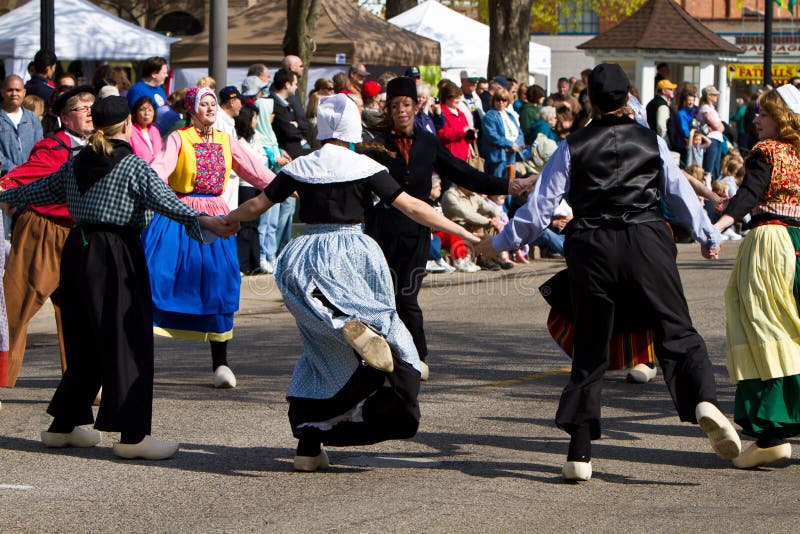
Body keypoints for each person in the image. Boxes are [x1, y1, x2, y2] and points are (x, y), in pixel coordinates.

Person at [476, 63, 740, 482]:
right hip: (647, 240)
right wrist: (708, 235)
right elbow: (682, 194)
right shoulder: (651, 141)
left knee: (591, 349)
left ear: (592, 102)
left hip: (593, 246)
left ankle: (579, 454)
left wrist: (500, 242)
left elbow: (540, 211)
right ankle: (703, 401)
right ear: (628, 97)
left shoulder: (572, 146)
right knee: (677, 329)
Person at [224, 94, 482, 471]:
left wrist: (222, 221)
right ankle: (361, 336)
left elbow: (256, 206)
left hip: (305, 256)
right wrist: (463, 231)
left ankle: (309, 445)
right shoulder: (364, 165)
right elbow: (412, 206)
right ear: (352, 128)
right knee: (389, 331)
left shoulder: (300, 166)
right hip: (352, 251)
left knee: (320, 352)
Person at [0, 96, 236, 460]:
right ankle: (132, 435)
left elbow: (40, 190)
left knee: (85, 339)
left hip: (78, 251)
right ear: (127, 124)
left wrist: (8, 195)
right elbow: (169, 203)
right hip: (117, 253)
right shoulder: (133, 167)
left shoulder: (76, 162)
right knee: (129, 340)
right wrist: (207, 222)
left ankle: (63, 426)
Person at [361, 77, 533, 369]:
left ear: (416, 107)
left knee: (407, 297)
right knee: (380, 297)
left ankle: (417, 358)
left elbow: (465, 173)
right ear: (388, 110)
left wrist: (509, 186)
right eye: (394, 106)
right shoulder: (376, 145)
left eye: (406, 104)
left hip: (416, 231)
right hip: (382, 230)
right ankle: (379, 357)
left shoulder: (428, 143)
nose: (401, 111)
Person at [142, 87, 274, 389]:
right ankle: (139, 359)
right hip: (180, 215)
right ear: (192, 108)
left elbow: (256, 171)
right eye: (204, 103)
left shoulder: (227, 141)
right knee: (159, 279)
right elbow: (158, 170)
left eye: (213, 103)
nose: (211, 108)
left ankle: (221, 363)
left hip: (217, 215)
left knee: (219, 284)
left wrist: (284, 186)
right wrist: (142, 188)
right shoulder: (178, 138)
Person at [713, 84, 800, 469]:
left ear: (780, 117)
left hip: (771, 242)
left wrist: (718, 226)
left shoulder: (768, 151)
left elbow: (750, 193)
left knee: (761, 326)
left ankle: (770, 432)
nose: (755, 119)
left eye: (763, 114)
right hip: (799, 243)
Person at [0, 85, 95, 388]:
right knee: (17, 308)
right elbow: (15, 178)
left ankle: (80, 384)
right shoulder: (53, 148)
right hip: (43, 231)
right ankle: (2, 376)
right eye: (82, 108)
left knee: (78, 313)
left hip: (78, 235)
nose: (90, 111)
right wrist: (7, 193)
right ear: (66, 119)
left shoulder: (101, 146)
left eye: (92, 105)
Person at [0, 75, 43, 175]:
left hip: (31, 179)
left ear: (24, 92)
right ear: (2, 92)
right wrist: (16, 171)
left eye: (18, 90)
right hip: (5, 181)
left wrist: (30, 170)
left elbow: (39, 148)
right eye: (10, 90)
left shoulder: (33, 119)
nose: (14, 94)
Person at [480, 87, 524, 179]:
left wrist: (516, 145)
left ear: (507, 102)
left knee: (510, 185)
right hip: (498, 157)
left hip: (512, 155)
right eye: (498, 99)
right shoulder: (489, 116)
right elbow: (492, 136)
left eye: (504, 100)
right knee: (498, 185)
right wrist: (509, 144)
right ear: (494, 101)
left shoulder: (510, 115)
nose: (501, 102)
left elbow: (520, 133)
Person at [126, 57, 169, 126]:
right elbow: (133, 116)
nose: (166, 75)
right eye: (164, 73)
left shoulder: (159, 88)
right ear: (154, 74)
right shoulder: (137, 90)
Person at [696, 86, 725, 179]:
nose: (717, 96)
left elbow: (720, 127)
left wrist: (720, 126)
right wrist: (719, 126)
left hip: (717, 139)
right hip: (711, 139)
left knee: (716, 168)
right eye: (714, 95)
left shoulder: (712, 108)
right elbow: (717, 125)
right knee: (709, 168)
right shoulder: (705, 108)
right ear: (709, 96)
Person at [129, 96, 162, 164]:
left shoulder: (155, 131)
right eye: (142, 109)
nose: (146, 113)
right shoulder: (130, 131)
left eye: (150, 110)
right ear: (135, 112)